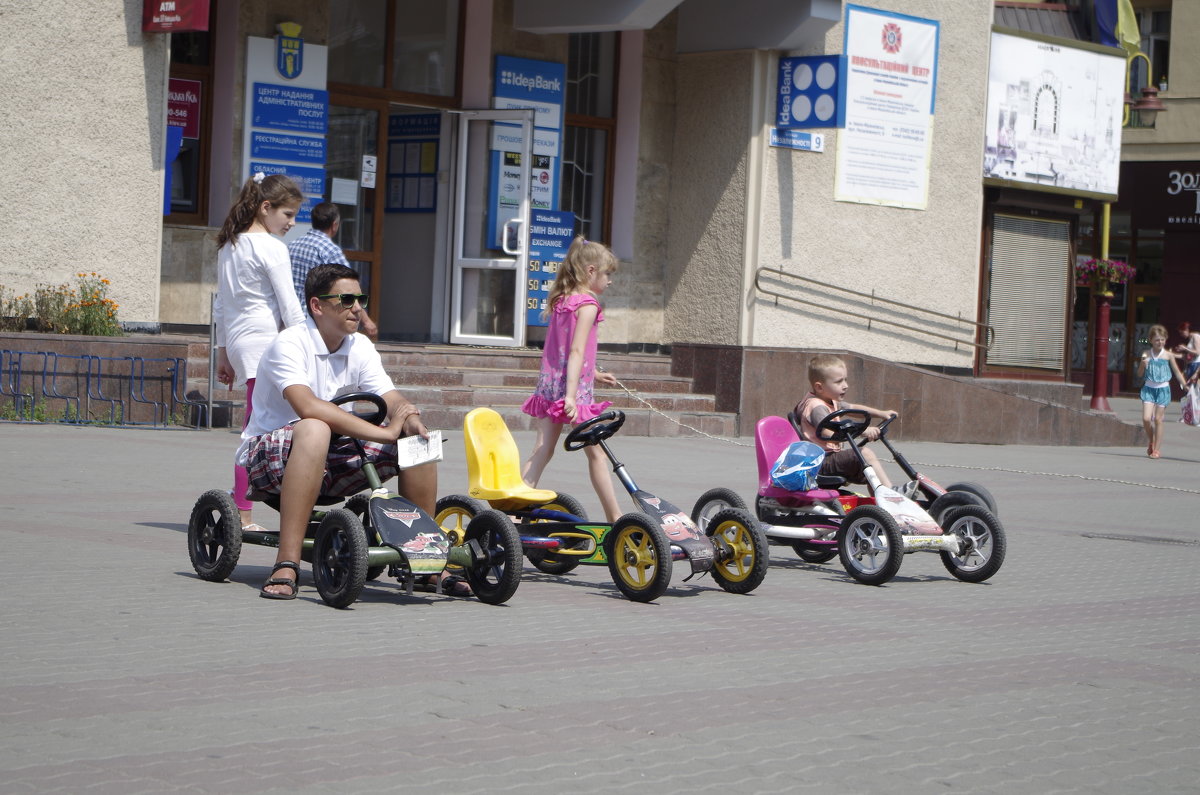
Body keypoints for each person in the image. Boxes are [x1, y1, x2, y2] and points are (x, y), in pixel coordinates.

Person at [241, 263, 446, 599]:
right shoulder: (289, 343)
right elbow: (308, 406)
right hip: (270, 459)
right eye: (347, 299)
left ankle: (423, 562)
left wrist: (407, 418)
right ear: (317, 305)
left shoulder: (360, 346)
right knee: (315, 427)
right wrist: (382, 432)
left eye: (360, 298)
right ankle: (287, 561)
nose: (358, 308)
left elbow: (389, 396)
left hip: (334, 453)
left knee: (420, 440)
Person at [213, 172, 307, 534]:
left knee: (259, 428)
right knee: (255, 434)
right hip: (265, 345)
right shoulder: (271, 248)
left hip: (239, 344)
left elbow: (221, 305)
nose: (292, 223)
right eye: (288, 214)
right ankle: (243, 512)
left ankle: (250, 504)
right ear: (266, 207)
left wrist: (223, 354)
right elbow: (290, 307)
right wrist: (311, 347)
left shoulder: (229, 245)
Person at [520, 237, 622, 522]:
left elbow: (566, 350)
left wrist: (595, 373)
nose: (609, 281)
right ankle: (616, 518)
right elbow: (576, 350)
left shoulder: (562, 300)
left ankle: (512, 510)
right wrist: (571, 395)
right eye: (607, 274)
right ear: (591, 271)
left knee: (543, 449)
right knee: (597, 456)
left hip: (551, 385)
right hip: (571, 393)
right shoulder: (588, 305)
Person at [795, 354, 898, 487]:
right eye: (839, 382)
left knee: (870, 472)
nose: (845, 386)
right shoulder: (816, 407)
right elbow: (827, 433)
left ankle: (881, 501)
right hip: (819, 462)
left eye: (845, 380)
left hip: (829, 458)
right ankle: (891, 492)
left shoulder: (829, 400)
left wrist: (881, 414)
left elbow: (853, 408)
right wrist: (863, 431)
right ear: (819, 387)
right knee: (865, 454)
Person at [287, 201, 379, 342]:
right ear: (334, 225)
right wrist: (366, 321)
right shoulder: (330, 250)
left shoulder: (292, 245)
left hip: (291, 318)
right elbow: (349, 289)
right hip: (316, 321)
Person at [1137, 324, 1188, 459]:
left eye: (1162, 339)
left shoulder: (1168, 355)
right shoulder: (1146, 354)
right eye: (1157, 340)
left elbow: (1177, 372)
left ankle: (1157, 450)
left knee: (1158, 419)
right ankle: (1151, 440)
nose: (1160, 342)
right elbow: (1139, 373)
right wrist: (1143, 364)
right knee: (1146, 419)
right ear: (1151, 340)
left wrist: (1185, 385)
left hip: (1163, 390)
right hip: (1148, 389)